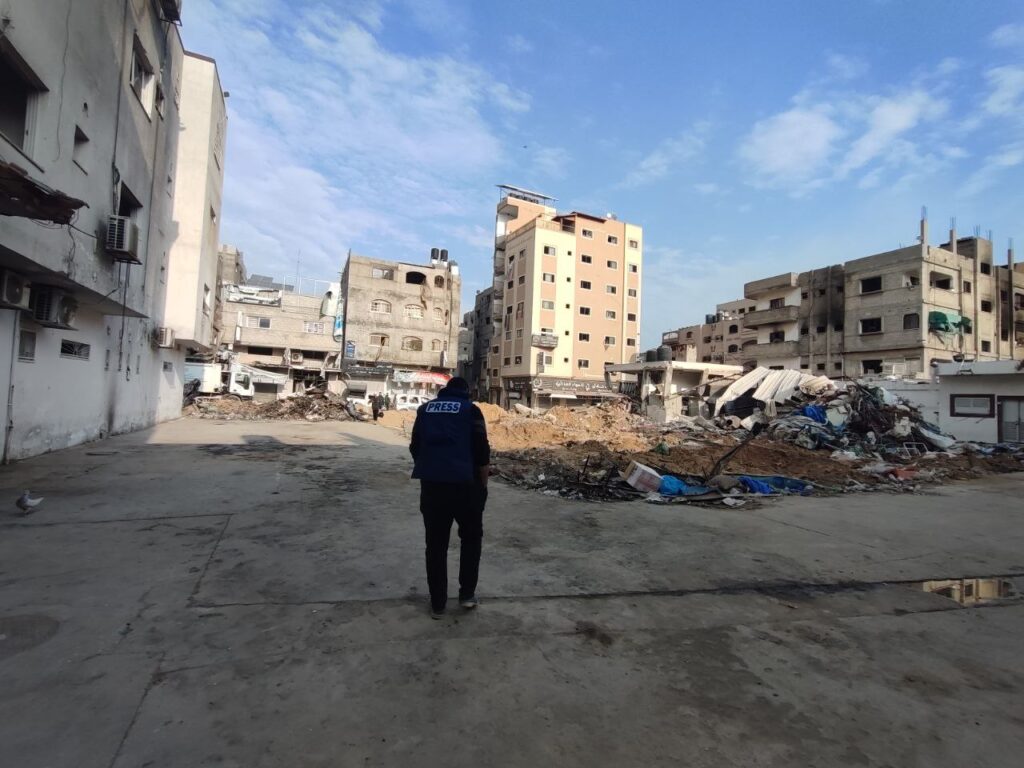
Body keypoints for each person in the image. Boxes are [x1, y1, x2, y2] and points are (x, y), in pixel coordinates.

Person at [409, 377, 490, 619]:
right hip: (466, 487)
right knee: (471, 541)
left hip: (433, 488)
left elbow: (415, 446)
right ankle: (466, 595)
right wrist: (483, 486)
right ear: (466, 392)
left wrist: (432, 468)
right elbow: (482, 452)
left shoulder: (425, 410)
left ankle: (438, 604)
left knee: (435, 546)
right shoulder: (471, 411)